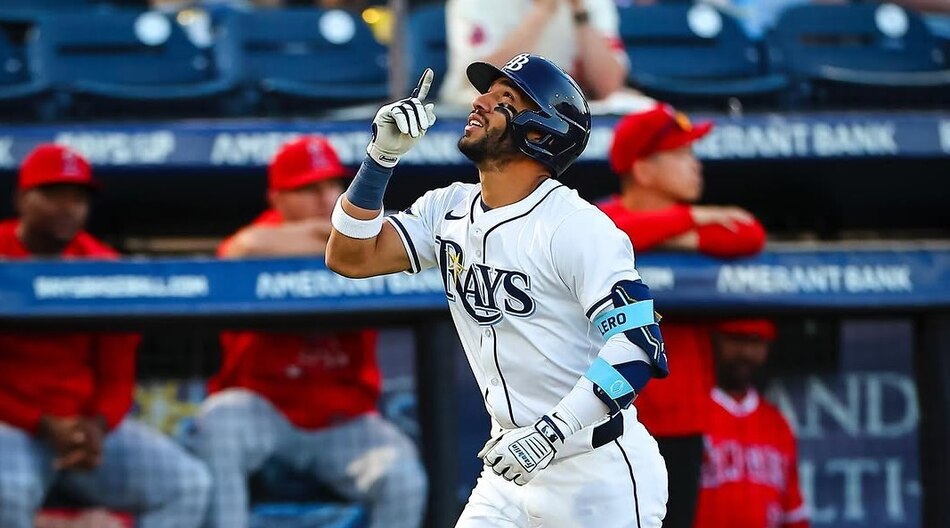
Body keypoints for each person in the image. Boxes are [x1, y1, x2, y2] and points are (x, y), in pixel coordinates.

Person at [326, 53, 669, 526]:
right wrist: (380, 159)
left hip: (595, 471)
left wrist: (551, 433)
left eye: (505, 97)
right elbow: (349, 256)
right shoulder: (447, 208)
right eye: (487, 91)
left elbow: (638, 345)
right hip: (508, 469)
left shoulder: (577, 226)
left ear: (540, 130)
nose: (481, 101)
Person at [190, 135, 427, 528]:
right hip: (265, 411)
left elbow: (411, 236)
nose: (325, 197)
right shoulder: (264, 235)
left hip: (342, 420)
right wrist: (333, 234)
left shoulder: (363, 232)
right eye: (308, 189)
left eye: (333, 185)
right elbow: (241, 249)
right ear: (277, 198)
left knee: (403, 478)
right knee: (220, 423)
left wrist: (338, 233)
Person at [0, 144, 212, 528]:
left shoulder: (103, 266)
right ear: (21, 198)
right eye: (53, 194)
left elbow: (117, 374)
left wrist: (96, 427)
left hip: (86, 430)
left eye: (77, 197)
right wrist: (40, 422)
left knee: (187, 483)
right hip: (11, 423)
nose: (67, 207)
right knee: (7, 490)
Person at [600, 103, 766, 528]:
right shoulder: (595, 220)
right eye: (682, 155)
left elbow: (748, 234)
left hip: (683, 424)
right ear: (644, 170)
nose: (696, 166)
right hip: (611, 420)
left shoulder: (696, 224)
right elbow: (613, 231)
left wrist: (674, 233)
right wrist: (690, 220)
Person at [695, 320, 810, 528]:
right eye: (736, 340)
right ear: (715, 341)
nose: (746, 352)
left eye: (756, 342)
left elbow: (793, 514)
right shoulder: (689, 414)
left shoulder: (777, 422)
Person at [440, 0, 638, 108]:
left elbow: (609, 86)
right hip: (483, 106)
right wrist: (543, 11)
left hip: (563, 109)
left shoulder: (593, 4)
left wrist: (580, 12)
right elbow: (485, 76)